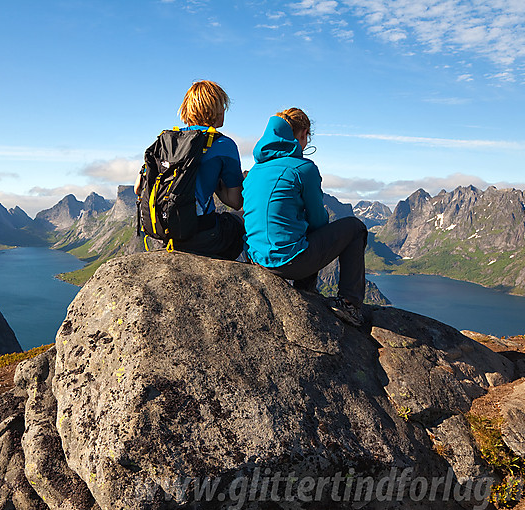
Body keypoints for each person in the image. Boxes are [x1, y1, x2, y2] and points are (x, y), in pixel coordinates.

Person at [242, 108, 368, 326]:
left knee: (297, 232)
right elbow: (319, 220)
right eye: (306, 138)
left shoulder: (255, 170)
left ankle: (307, 292)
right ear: (303, 133)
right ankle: (349, 304)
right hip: (288, 262)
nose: (306, 143)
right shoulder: (303, 168)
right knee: (355, 228)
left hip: (253, 258)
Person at [135, 80, 245, 260]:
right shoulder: (224, 144)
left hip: (165, 233)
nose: (225, 110)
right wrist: (215, 181)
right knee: (245, 217)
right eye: (223, 105)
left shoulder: (166, 140)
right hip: (202, 235)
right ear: (215, 109)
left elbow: (138, 188)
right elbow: (235, 201)